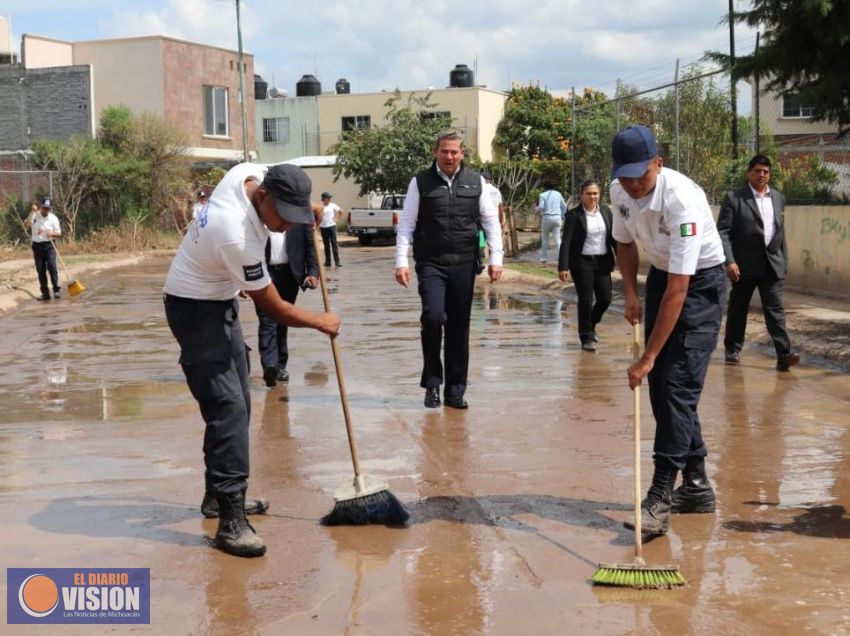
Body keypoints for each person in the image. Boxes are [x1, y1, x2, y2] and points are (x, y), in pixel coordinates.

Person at [163, 163, 340, 558]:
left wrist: (305, 205)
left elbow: (272, 181)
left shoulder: (249, 174)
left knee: (239, 401)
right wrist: (320, 321)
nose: (286, 227)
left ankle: (216, 497)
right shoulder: (235, 231)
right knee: (228, 410)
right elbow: (274, 307)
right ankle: (230, 521)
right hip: (194, 311)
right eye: (283, 216)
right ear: (263, 197)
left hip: (218, 301)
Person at [610, 125, 727, 536]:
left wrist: (647, 357)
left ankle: (660, 496)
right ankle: (695, 485)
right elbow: (624, 244)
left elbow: (681, 290)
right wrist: (630, 293)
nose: (632, 185)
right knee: (663, 389)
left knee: (676, 384)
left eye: (640, 175)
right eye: (624, 175)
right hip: (661, 275)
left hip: (701, 284)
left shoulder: (683, 202)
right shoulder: (619, 191)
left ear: (658, 163)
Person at [395, 128, 503, 409]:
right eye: (444, 151)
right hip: (431, 263)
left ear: (462, 153)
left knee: (458, 327)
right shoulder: (420, 182)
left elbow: (491, 221)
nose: (449, 156)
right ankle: (432, 384)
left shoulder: (475, 182)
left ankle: (455, 390)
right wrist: (401, 260)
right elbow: (406, 222)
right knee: (432, 317)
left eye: (454, 151)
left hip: (464, 265)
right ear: (436, 152)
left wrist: (496, 259)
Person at [717, 155, 799, 372]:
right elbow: (723, 231)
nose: (762, 175)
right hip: (743, 266)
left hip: (772, 265)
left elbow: (780, 232)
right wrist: (730, 261)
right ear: (749, 173)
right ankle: (732, 348)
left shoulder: (779, 198)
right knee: (738, 308)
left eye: (765, 171)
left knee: (775, 309)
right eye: (757, 171)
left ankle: (784, 354)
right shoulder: (734, 198)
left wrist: (784, 262)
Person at [256, 225, 319, 387]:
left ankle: (280, 365)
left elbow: (310, 246)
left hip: (290, 275)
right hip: (264, 273)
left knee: (283, 319)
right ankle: (269, 365)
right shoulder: (260, 214)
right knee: (267, 319)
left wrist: (312, 272)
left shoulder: (298, 218)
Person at [557, 179, 616, 351]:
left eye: (595, 193)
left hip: (602, 261)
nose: (592, 197)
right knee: (586, 300)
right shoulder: (574, 215)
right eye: (589, 193)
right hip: (581, 262)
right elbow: (566, 241)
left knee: (605, 299)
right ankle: (586, 338)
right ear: (582, 195)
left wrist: (623, 257)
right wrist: (563, 266)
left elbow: (613, 237)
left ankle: (590, 324)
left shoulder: (606, 211)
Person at [28, 197, 62, 301]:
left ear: (50, 208)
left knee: (52, 266)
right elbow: (27, 225)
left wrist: (51, 234)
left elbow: (59, 233)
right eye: (44, 208)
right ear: (41, 207)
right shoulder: (34, 216)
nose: (46, 210)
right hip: (37, 245)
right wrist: (32, 212)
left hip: (50, 245)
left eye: (48, 208)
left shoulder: (53, 218)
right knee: (41, 269)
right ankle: (45, 293)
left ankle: (56, 289)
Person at [536, 180, 567, 264]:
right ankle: (562, 258)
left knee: (545, 238)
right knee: (557, 238)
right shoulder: (558, 194)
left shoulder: (542, 195)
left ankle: (543, 259)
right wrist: (564, 215)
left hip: (546, 217)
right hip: (557, 217)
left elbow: (541, 207)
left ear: (544, 187)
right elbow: (564, 205)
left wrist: (536, 208)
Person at [319, 192, 343, 267]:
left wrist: (336, 219)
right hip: (323, 227)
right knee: (326, 245)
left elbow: (341, 211)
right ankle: (327, 261)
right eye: (328, 198)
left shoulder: (333, 205)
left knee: (334, 244)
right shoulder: (320, 206)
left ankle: (337, 261)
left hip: (331, 226)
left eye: (330, 198)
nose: (329, 199)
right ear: (324, 198)